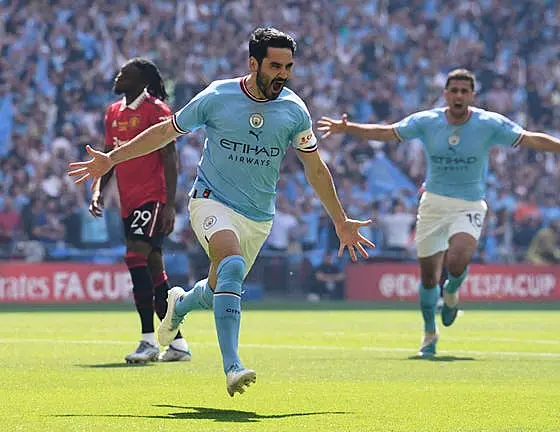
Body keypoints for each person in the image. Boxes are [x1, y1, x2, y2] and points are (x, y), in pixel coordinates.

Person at [68, 28, 374, 396]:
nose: (283, 73)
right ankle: (233, 366)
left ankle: (180, 304)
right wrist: (112, 159)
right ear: (253, 63)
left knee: (218, 289)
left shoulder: (294, 110)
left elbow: (315, 168)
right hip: (211, 201)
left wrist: (340, 220)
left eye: (288, 66)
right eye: (275, 65)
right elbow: (166, 132)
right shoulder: (217, 95)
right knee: (230, 267)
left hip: (258, 216)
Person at [317, 68, 560, 356]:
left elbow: (532, 139)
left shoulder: (488, 124)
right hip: (433, 204)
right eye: (454, 90)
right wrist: (349, 128)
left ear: (472, 95)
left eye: (464, 91)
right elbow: (388, 133)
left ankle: (453, 291)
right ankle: (429, 333)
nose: (458, 95)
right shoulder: (427, 121)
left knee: (457, 261)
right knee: (428, 278)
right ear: (445, 94)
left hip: (469, 204)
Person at [89, 58, 190, 364]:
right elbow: (108, 156)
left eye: (125, 73)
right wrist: (98, 190)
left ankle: (148, 340)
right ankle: (177, 344)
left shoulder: (156, 109)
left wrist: (170, 203)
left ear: (141, 81)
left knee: (135, 256)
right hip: (127, 200)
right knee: (153, 270)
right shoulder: (113, 113)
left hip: (152, 197)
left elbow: (170, 157)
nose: (118, 76)